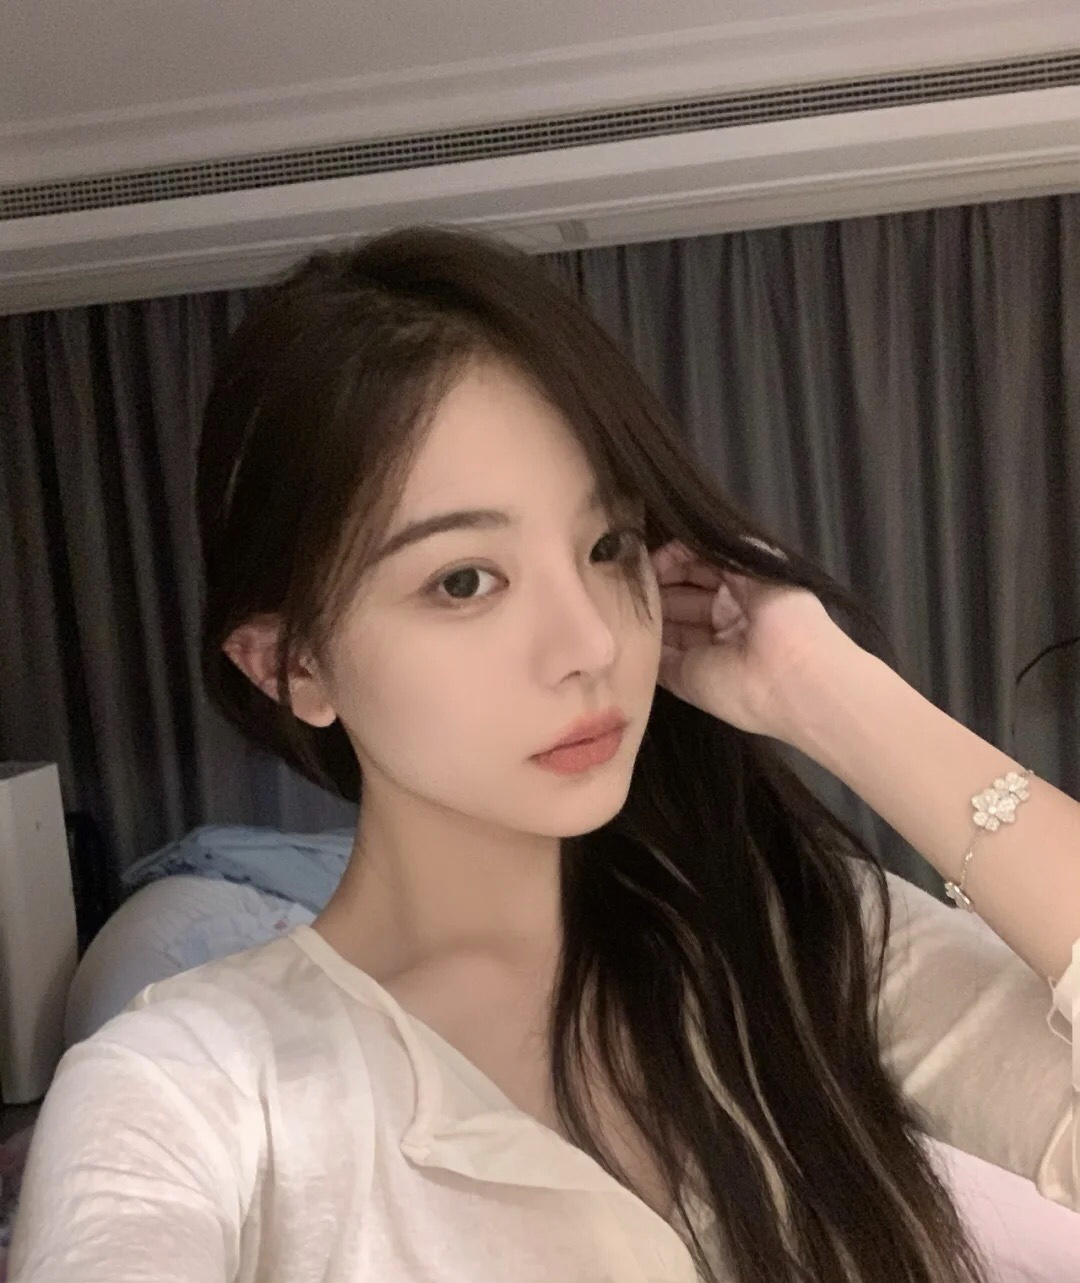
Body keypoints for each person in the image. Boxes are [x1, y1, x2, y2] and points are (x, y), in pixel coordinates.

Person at [9, 225, 1078, 1283]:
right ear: (294, 666)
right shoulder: (187, 1088)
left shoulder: (789, 934)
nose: (593, 643)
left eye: (609, 546)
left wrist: (831, 691)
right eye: (464, 580)